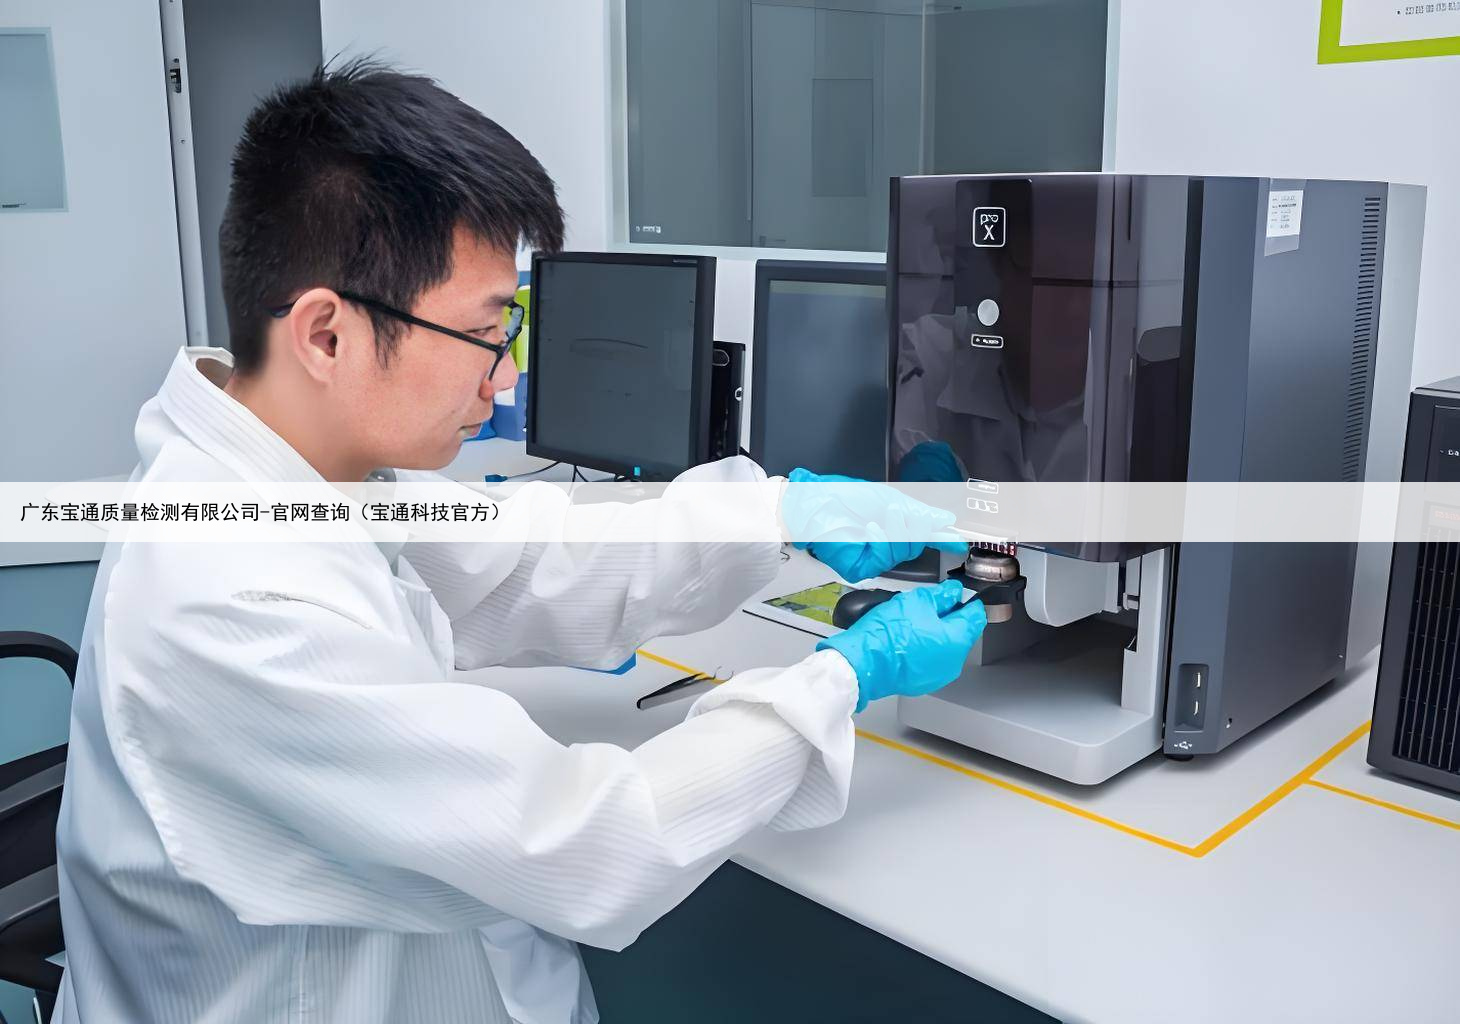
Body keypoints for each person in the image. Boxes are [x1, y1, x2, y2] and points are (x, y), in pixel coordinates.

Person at [52, 60, 986, 1024]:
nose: (502, 381)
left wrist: (777, 519)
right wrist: (839, 681)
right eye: (486, 334)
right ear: (326, 335)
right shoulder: (231, 600)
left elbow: (519, 561)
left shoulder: (297, 474)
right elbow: (589, 846)